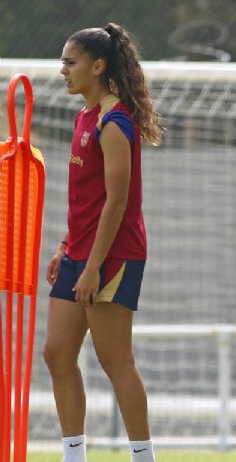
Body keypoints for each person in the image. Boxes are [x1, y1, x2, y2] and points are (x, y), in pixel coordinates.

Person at [45, 24, 163, 462]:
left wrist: (93, 266)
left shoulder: (115, 122)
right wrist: (65, 246)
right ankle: (74, 456)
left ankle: (142, 457)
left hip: (112, 256)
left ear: (98, 66)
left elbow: (117, 203)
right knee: (56, 354)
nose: (63, 71)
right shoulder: (83, 117)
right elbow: (87, 198)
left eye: (70, 62)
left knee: (116, 361)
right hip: (80, 252)